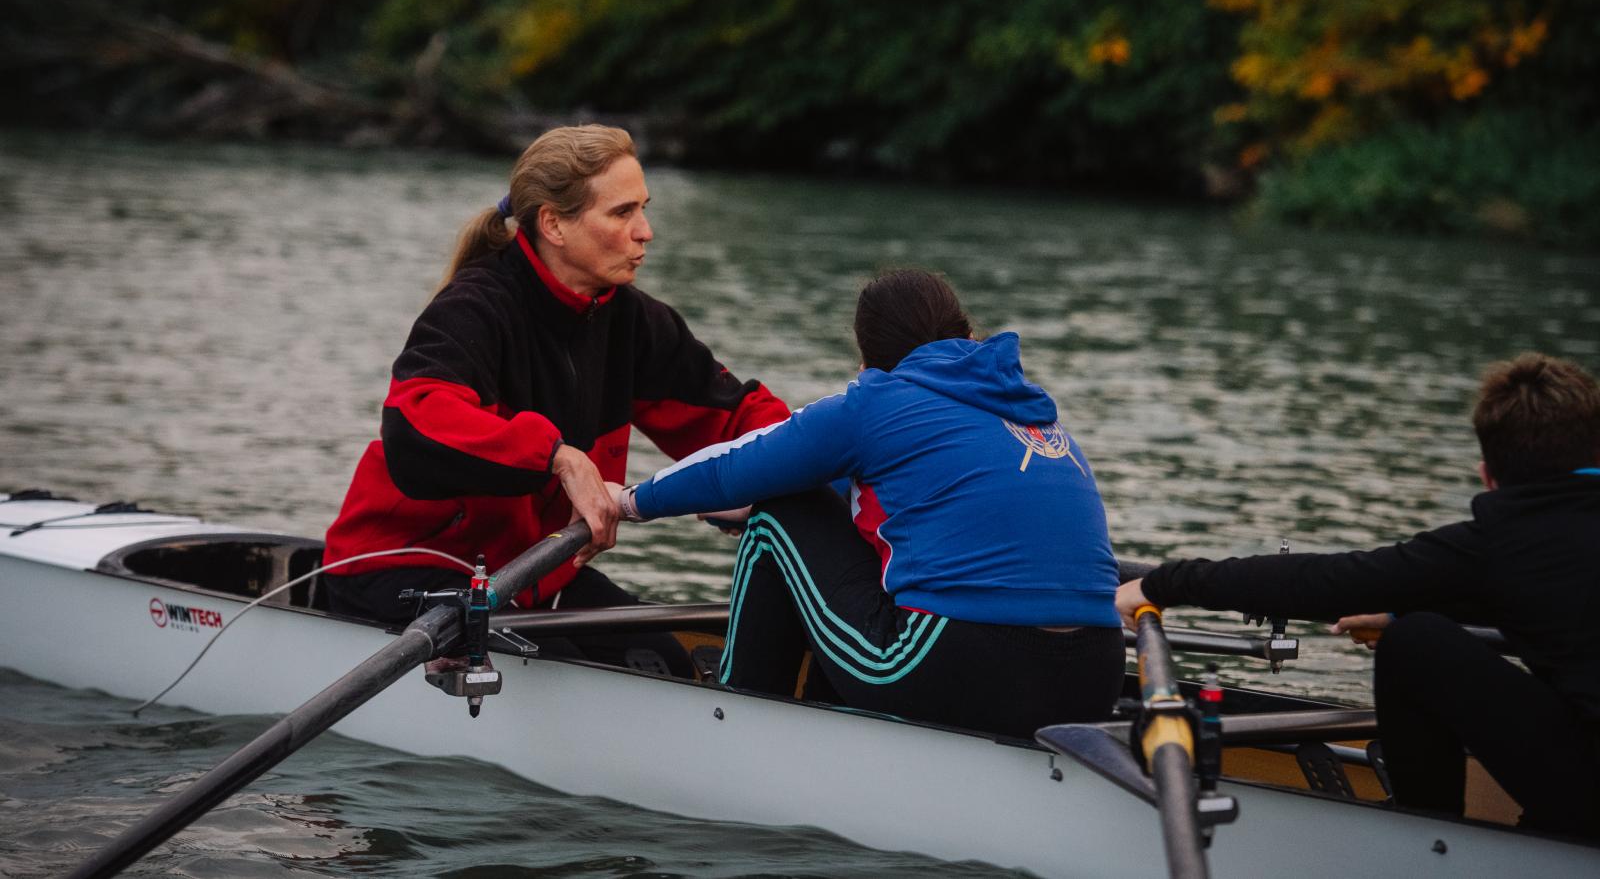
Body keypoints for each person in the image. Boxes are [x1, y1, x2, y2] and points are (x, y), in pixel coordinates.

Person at [322, 124, 789, 674]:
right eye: (622, 213)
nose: (646, 232)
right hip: (401, 571)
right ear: (553, 224)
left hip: (531, 577)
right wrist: (558, 457)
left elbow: (734, 418)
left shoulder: (634, 322)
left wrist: (818, 457)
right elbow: (413, 426)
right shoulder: (475, 308)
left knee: (666, 664)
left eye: (643, 208)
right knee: (576, 673)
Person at [614, 269, 1126, 739]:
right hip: (1095, 679)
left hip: (960, 668)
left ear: (866, 362)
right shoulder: (1032, 411)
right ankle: (823, 706)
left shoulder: (878, 400)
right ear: (968, 338)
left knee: (775, 519)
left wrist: (627, 502)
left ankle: (732, 726)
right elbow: (883, 496)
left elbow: (733, 468)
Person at [1115, 352, 1600, 835]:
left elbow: (1324, 582)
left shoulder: (1506, 539)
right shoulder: (1557, 539)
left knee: (1417, 643)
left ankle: (1428, 839)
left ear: (1488, 478)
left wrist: (1163, 583)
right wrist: (1399, 604)